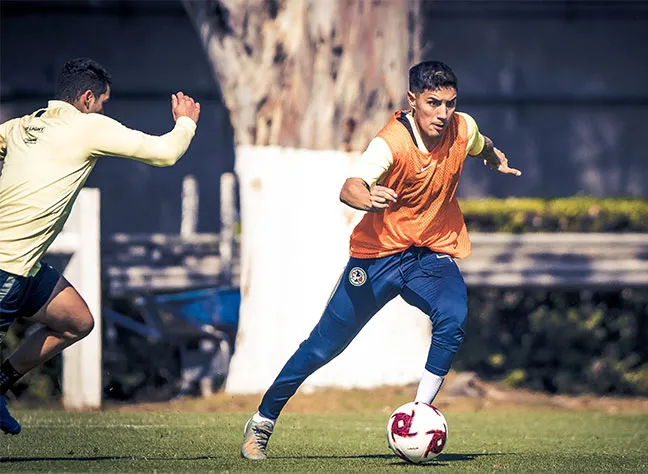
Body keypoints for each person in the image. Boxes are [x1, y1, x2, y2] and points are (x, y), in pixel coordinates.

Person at [239, 60, 521, 459]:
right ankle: (262, 422)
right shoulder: (390, 142)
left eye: (450, 104)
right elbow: (350, 186)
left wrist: (494, 157)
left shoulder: (463, 127)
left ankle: (421, 410)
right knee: (322, 348)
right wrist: (366, 197)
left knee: (453, 317)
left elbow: (480, 143)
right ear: (412, 101)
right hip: (378, 258)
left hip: (429, 255)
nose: (443, 114)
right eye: (433, 103)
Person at [0, 57, 200, 435]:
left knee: (76, 321)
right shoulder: (87, 126)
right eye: (104, 103)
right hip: (6, 265)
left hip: (26, 265)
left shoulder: (23, 125)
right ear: (88, 98)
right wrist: (186, 122)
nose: (104, 111)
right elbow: (165, 153)